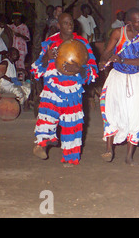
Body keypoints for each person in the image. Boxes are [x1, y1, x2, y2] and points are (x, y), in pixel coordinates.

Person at [31, 13, 98, 167]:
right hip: (52, 89)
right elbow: (36, 69)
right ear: (59, 25)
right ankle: (41, 145)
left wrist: (79, 69)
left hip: (72, 92)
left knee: (72, 125)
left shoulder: (82, 43)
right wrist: (47, 57)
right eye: (66, 23)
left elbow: (93, 71)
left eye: (71, 23)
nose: (69, 26)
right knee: (45, 119)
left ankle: (70, 157)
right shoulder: (50, 43)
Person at [99, 7, 139, 164]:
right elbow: (107, 51)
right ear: (129, 23)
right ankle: (109, 150)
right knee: (111, 110)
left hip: (136, 79)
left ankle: (129, 156)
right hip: (117, 77)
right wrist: (103, 61)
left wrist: (122, 60)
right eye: (138, 21)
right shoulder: (118, 33)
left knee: (137, 115)